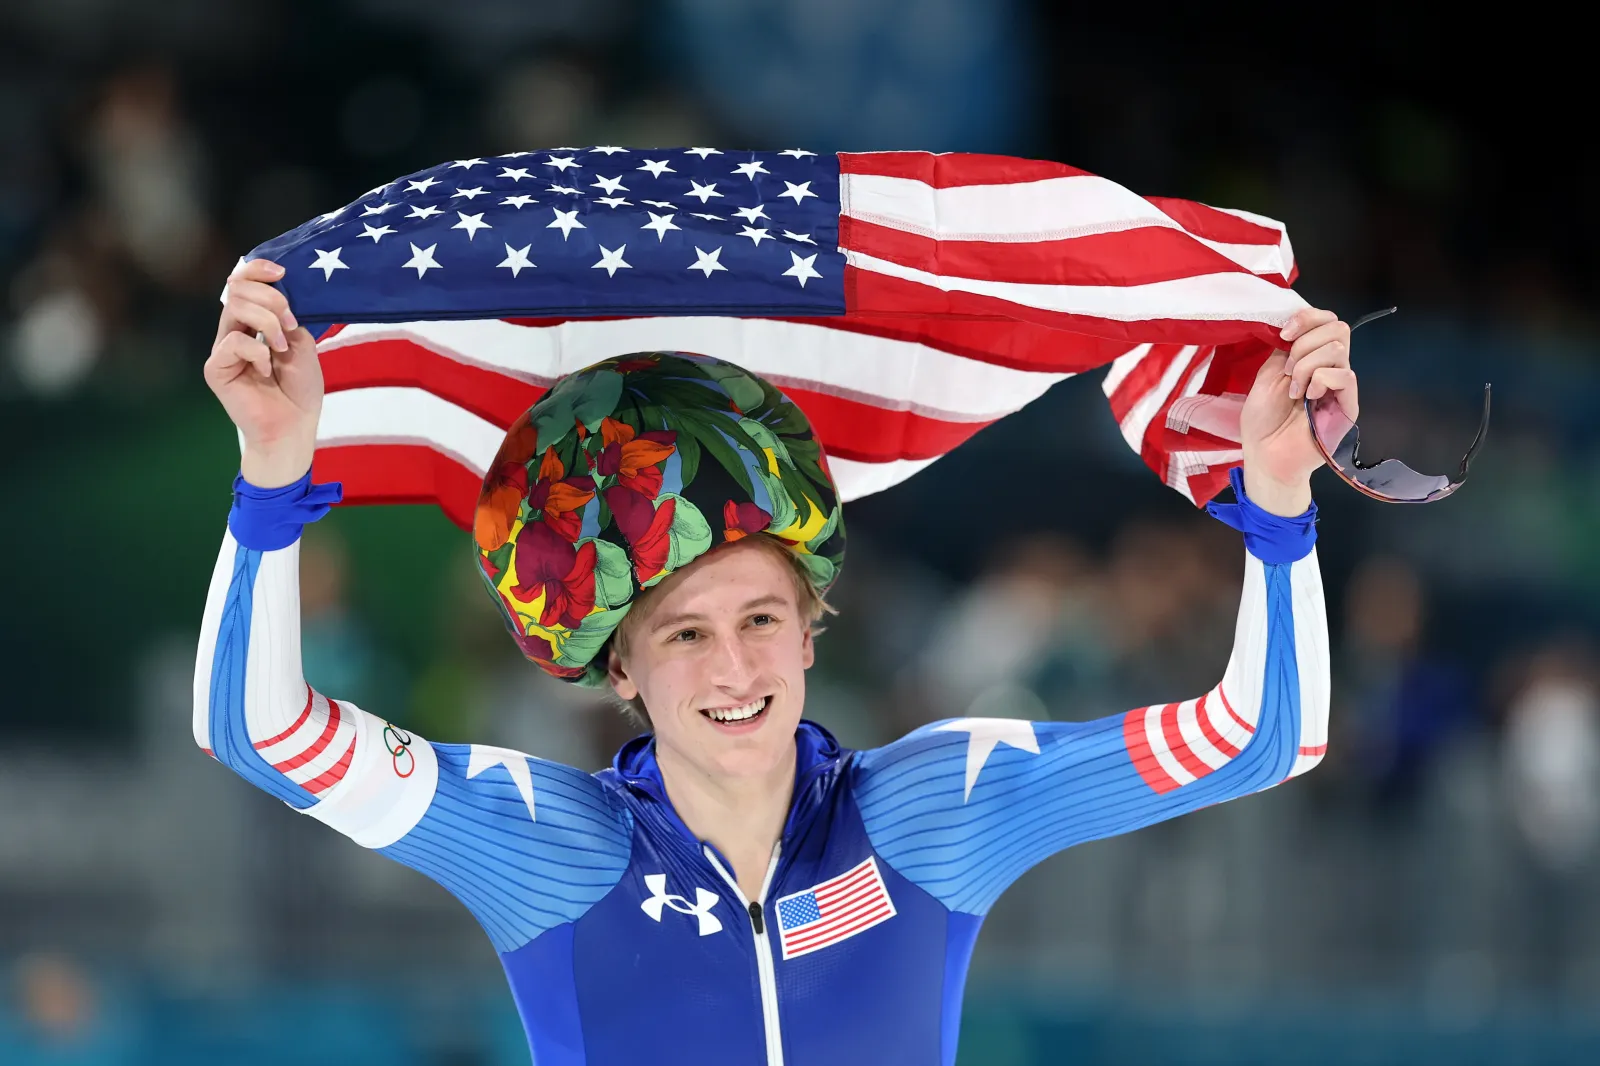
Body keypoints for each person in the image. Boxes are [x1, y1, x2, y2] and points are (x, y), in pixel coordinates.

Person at [196, 257, 1352, 1066]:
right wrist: (271, 476)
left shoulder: (931, 811)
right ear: (621, 671)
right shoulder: (545, 847)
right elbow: (256, 731)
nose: (733, 665)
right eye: (684, 634)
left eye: (760, 619)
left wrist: (1281, 500)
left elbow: (1261, 738)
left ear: (812, 629)